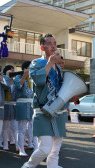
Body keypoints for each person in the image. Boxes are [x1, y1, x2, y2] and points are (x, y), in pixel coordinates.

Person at [22, 34, 65, 168]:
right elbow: (38, 80)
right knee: (45, 148)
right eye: (49, 43)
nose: (53, 45)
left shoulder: (58, 68)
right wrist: (51, 62)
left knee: (55, 150)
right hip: (43, 110)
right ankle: (28, 166)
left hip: (58, 110)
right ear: (42, 47)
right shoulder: (36, 63)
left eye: (55, 43)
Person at [14, 61, 37, 157]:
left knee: (34, 127)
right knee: (22, 128)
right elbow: (18, 87)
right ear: (24, 69)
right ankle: (21, 148)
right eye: (29, 68)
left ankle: (35, 146)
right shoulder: (18, 77)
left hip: (32, 104)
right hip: (22, 103)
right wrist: (24, 75)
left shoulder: (33, 78)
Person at [0, 65, 17, 151]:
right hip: (5, 105)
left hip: (14, 105)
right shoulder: (3, 80)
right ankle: (5, 143)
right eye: (11, 71)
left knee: (15, 126)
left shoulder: (16, 81)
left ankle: (18, 144)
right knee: (5, 126)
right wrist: (6, 76)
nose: (12, 72)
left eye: (13, 71)